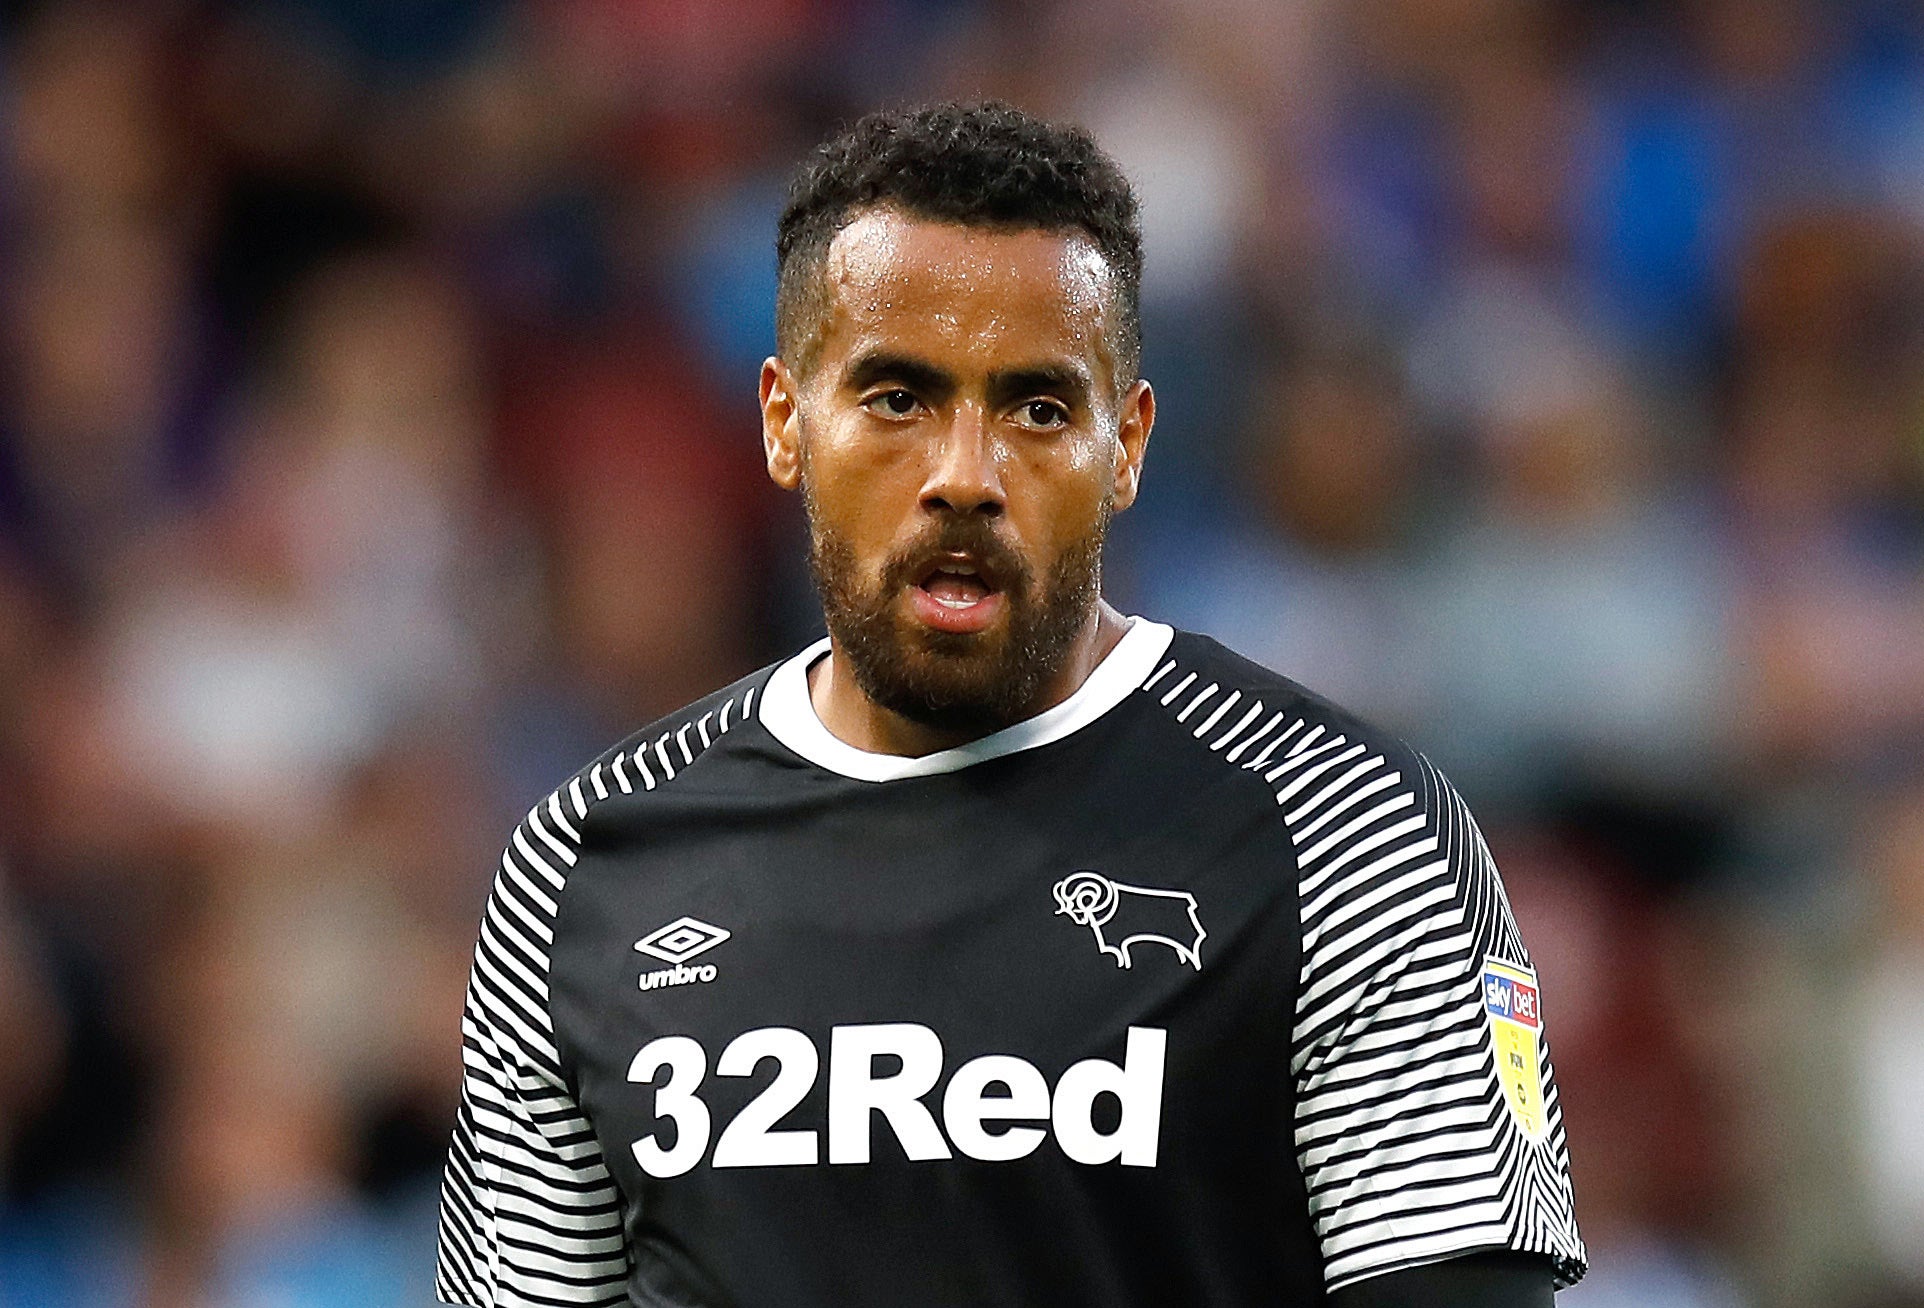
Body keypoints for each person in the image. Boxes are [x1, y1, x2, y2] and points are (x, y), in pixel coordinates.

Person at [434, 102, 1586, 1308]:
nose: (964, 478)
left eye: (1038, 408)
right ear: (784, 422)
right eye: (896, 399)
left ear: (1128, 442)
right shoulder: (581, 865)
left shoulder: (1348, 832)